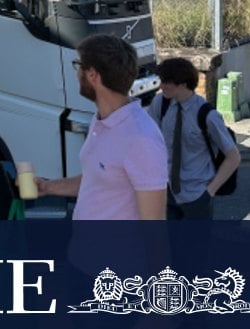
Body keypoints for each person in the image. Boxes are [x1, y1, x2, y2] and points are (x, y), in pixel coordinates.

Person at [36, 34, 167, 220]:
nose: (76, 73)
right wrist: (48, 187)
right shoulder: (101, 121)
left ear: (93, 75)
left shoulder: (141, 137)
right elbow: (98, 180)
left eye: (78, 65)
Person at [147, 58, 241, 220]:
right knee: (166, 244)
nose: (161, 87)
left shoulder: (207, 115)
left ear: (183, 84)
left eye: (167, 83)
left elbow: (233, 157)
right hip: (166, 192)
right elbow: (149, 141)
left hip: (196, 195)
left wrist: (209, 192)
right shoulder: (160, 103)